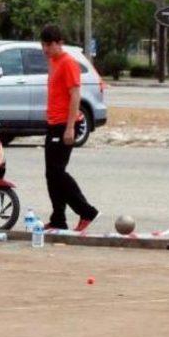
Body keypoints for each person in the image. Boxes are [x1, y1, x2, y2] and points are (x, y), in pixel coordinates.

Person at [40, 24, 99, 232]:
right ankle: (58, 218)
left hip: (65, 124)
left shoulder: (68, 63)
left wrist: (70, 127)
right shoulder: (52, 62)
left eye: (49, 45)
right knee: (51, 173)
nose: (45, 49)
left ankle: (86, 211)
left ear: (59, 43)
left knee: (57, 172)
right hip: (53, 122)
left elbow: (75, 95)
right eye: (43, 45)